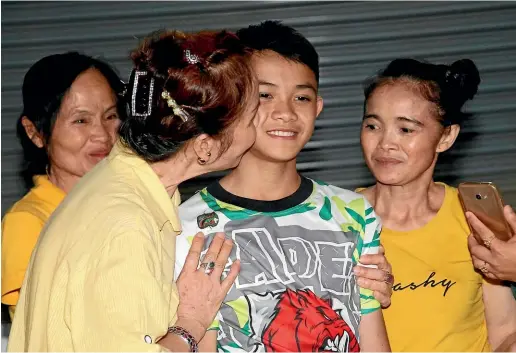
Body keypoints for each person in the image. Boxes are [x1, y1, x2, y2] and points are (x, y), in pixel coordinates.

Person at [8, 29, 260, 352]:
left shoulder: (125, 184)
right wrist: (191, 323)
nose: (260, 127)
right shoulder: (125, 223)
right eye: (251, 118)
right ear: (206, 148)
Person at [176, 21, 391, 352]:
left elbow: (372, 337)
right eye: (265, 95)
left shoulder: (354, 214)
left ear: (318, 108)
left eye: (301, 97)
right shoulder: (188, 226)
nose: (286, 112)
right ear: (234, 102)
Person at [358, 58, 516, 351]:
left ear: (446, 136)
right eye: (372, 125)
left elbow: (505, 331)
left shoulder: (473, 218)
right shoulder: (337, 217)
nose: (385, 143)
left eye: (405, 129)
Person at [1, 52, 126, 320]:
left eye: (110, 116)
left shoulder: (128, 202)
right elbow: (40, 331)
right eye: (81, 120)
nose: (102, 135)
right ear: (35, 133)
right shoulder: (28, 221)